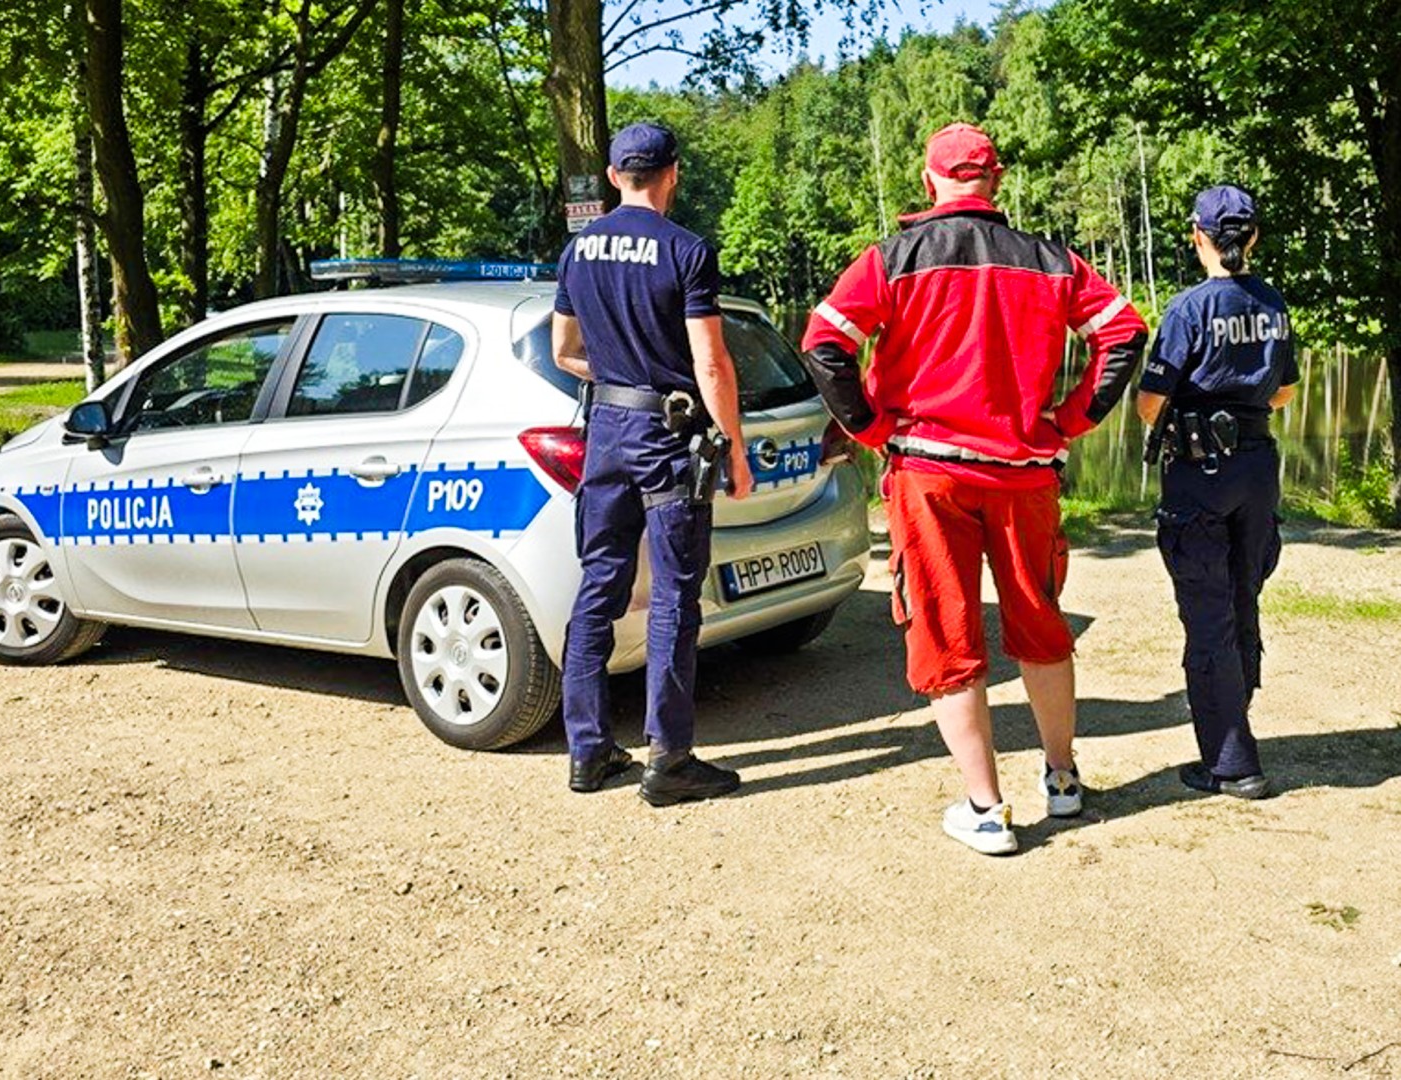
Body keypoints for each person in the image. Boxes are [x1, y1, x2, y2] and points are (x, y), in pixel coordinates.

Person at [799, 123, 1148, 854]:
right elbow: (1121, 332)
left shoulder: (890, 259)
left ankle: (985, 809)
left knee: (945, 632)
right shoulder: (1050, 260)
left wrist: (869, 429)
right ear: (996, 181)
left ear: (930, 181)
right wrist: (1072, 417)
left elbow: (824, 344)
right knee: (1039, 624)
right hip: (1023, 473)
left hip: (928, 473)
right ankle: (1061, 781)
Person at [552, 121, 756, 806]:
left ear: (614, 176)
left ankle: (586, 750)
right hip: (668, 437)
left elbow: (562, 351)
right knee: (672, 594)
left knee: (599, 584)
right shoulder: (687, 250)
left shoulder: (577, 249)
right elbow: (710, 361)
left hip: (606, 429)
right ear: (672, 172)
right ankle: (667, 760)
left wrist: (615, 376)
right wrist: (730, 445)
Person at [1137, 185, 1297, 800]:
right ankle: (1238, 722)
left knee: (1207, 614)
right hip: (1257, 464)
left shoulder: (1187, 309)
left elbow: (1152, 404)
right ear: (1252, 237)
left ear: (1197, 235)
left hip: (1200, 470)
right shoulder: (1272, 303)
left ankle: (1231, 761)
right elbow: (1283, 391)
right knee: (1242, 597)